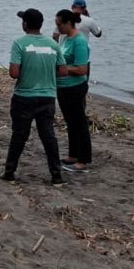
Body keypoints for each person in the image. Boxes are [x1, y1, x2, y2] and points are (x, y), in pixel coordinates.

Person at [0, 9, 67, 187]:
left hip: (24, 96)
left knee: (19, 136)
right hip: (47, 97)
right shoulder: (53, 45)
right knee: (48, 137)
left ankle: (9, 172)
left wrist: (29, 71)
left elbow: (13, 73)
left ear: (25, 24)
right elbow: (63, 71)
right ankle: (56, 176)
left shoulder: (19, 43)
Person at [54, 9, 92, 173]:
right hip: (63, 86)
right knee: (70, 121)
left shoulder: (79, 41)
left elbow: (82, 69)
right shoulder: (65, 38)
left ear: (69, 23)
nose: (57, 27)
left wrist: (63, 70)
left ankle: (83, 159)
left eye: (59, 24)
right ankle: (73, 154)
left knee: (79, 122)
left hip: (75, 87)